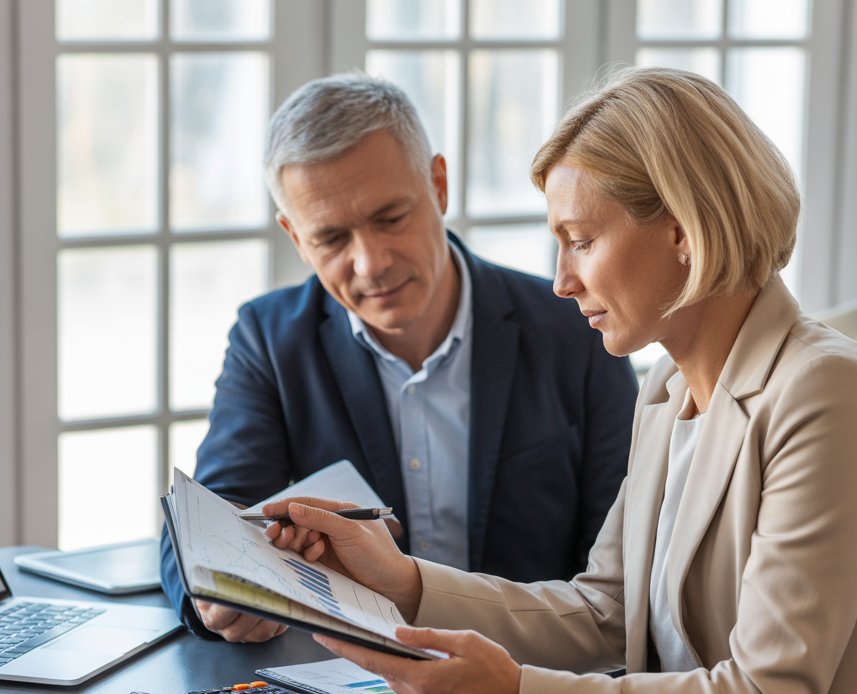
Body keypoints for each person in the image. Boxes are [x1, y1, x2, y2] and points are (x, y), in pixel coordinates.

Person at [263, 66, 857, 694]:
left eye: (581, 241)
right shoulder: (668, 392)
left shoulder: (826, 389)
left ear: (681, 228)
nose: (562, 281)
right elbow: (603, 610)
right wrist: (404, 580)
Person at [160, 74, 638, 644]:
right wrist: (222, 597)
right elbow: (202, 527)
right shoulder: (270, 338)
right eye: (332, 239)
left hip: (537, 681)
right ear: (295, 237)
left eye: (390, 218)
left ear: (438, 185)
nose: (370, 263)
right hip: (352, 690)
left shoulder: (576, 327)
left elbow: (630, 567)